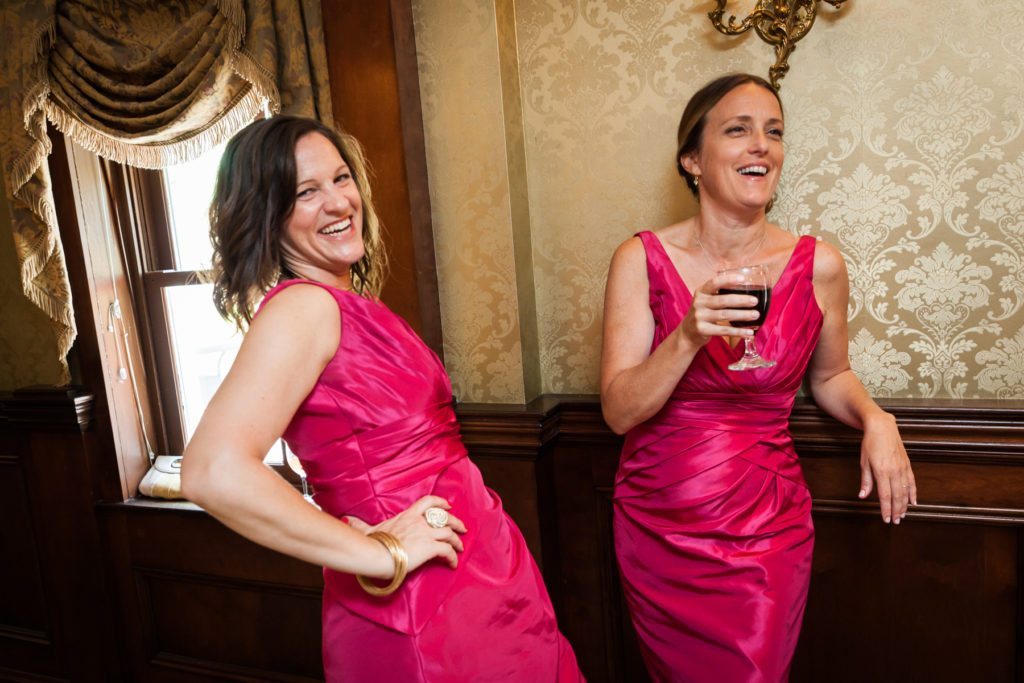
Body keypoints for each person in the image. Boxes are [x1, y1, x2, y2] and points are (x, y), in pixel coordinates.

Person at [181, 115, 582, 682]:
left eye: (341, 178)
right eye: (306, 192)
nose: (338, 202)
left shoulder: (351, 304)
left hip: (480, 578)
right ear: (269, 218)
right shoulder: (303, 309)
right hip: (416, 604)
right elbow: (212, 471)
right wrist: (378, 554)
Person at [600, 73, 917, 682]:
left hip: (765, 521)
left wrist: (877, 418)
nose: (761, 146)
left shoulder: (820, 266)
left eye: (773, 132)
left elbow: (832, 376)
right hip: (659, 522)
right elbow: (618, 412)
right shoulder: (639, 259)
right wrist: (687, 337)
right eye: (737, 130)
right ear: (692, 160)